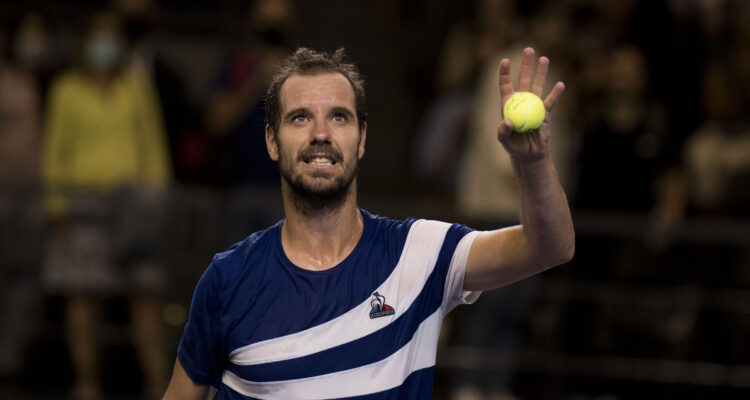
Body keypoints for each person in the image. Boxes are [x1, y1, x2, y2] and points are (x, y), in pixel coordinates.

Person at [163, 46, 574, 399]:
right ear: (272, 140)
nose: (320, 133)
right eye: (301, 118)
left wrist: (532, 161)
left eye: (338, 117)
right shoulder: (227, 280)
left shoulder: (420, 253)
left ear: (361, 139)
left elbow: (550, 247)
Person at [42, 10, 171, 400]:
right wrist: (56, 207)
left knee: (144, 296)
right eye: (98, 36)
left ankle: (159, 384)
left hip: (133, 207)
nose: (105, 45)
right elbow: (54, 151)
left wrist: (157, 201)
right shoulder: (66, 89)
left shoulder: (136, 87)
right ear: (83, 42)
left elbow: (153, 148)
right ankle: (87, 385)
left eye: (112, 37)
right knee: (83, 298)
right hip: (81, 206)